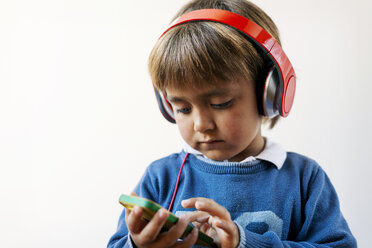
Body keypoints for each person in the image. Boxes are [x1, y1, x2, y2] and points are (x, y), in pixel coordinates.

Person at [107, 0, 357, 247]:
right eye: (182, 108)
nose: (201, 124)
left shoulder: (304, 179)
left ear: (270, 94)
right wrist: (138, 244)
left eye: (220, 103)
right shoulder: (160, 178)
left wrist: (246, 242)